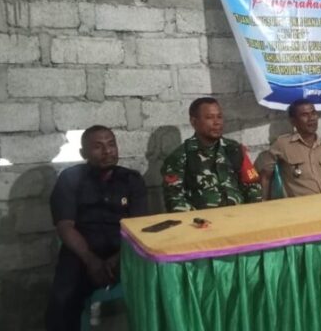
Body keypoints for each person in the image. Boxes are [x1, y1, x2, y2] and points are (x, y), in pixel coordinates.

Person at [45, 125, 148, 331]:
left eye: (111, 144)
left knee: (157, 283)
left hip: (124, 251)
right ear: (83, 153)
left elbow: (139, 226)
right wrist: (91, 260)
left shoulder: (132, 179)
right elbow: (65, 226)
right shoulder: (70, 178)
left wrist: (117, 259)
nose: (107, 151)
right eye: (98, 147)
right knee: (62, 298)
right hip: (82, 253)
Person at [161, 97, 261, 212]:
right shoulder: (180, 157)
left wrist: (251, 213)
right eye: (209, 117)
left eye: (219, 117)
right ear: (194, 122)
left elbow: (253, 185)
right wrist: (199, 219)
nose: (217, 122)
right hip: (202, 221)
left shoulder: (234, 149)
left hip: (240, 216)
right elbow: (174, 199)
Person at [258, 98, 321, 198]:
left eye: (313, 113)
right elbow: (265, 176)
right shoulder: (283, 145)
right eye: (305, 115)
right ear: (293, 121)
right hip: (302, 205)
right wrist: (264, 203)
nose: (311, 118)